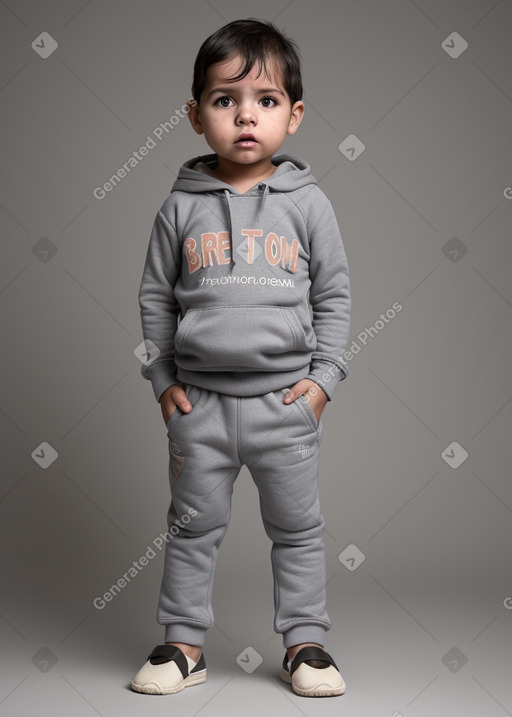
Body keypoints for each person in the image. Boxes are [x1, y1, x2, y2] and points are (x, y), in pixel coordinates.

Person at [131, 17, 351, 698]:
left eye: (265, 100)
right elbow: (153, 298)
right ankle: (183, 644)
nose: (246, 116)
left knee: (298, 530)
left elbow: (335, 297)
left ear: (295, 114)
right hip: (200, 407)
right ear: (196, 117)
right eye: (225, 101)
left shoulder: (309, 204)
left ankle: (307, 644)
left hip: (284, 405)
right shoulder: (178, 208)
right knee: (191, 530)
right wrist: (162, 379)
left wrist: (323, 382)